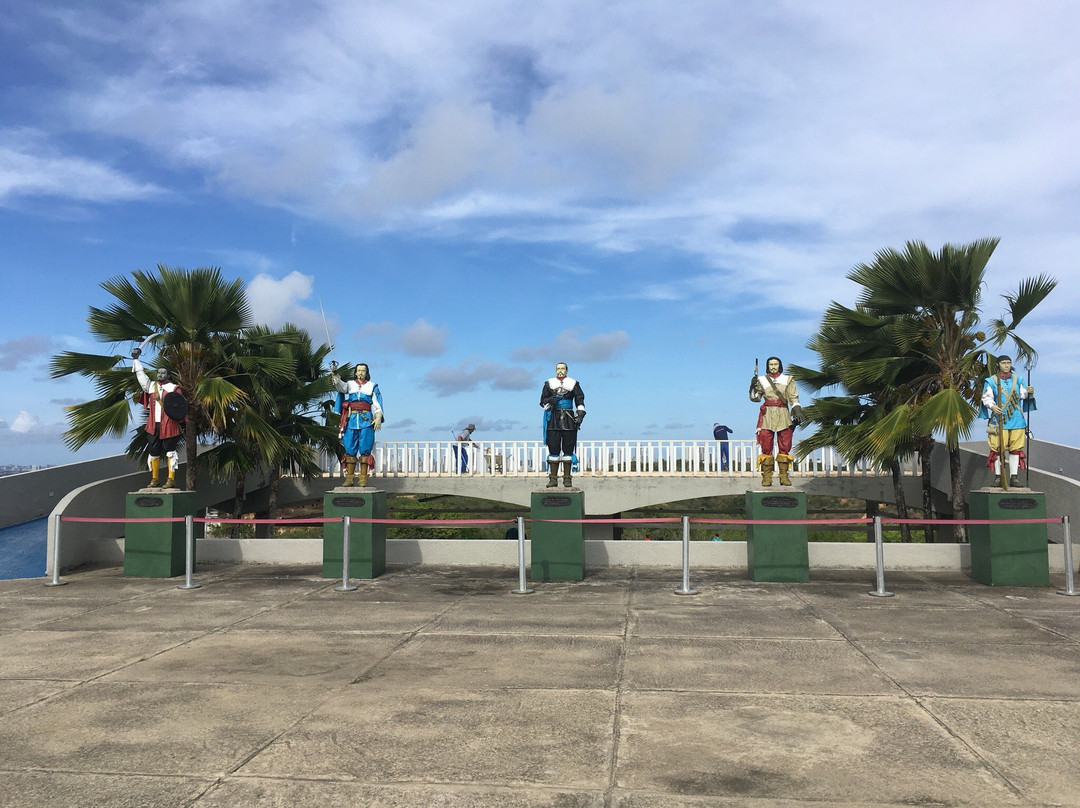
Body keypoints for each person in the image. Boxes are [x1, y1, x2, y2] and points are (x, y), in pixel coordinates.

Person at [131, 347, 186, 489]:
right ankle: (154, 479)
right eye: (159, 372)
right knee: (153, 452)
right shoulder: (152, 386)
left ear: (168, 375)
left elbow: (180, 407)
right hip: (153, 425)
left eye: (163, 373)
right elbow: (141, 377)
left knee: (170, 452)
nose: (160, 375)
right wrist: (136, 360)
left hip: (169, 425)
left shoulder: (174, 388)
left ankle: (171, 479)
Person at [979, 355, 1035, 488]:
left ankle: (1013, 477)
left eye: (1008, 363)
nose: (1006, 365)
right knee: (998, 449)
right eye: (1004, 363)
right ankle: (998, 477)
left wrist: (1029, 392)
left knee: (1016, 449)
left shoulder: (1018, 379)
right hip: (999, 420)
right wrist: (992, 406)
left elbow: (1023, 395)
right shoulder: (991, 381)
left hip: (1016, 420)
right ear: (998, 364)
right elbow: (986, 397)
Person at [749, 356, 804, 486]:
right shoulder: (762, 380)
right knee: (766, 444)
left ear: (780, 366)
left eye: (776, 364)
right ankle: (767, 476)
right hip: (767, 414)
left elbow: (793, 397)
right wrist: (752, 386)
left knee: (785, 443)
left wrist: (797, 409)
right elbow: (756, 398)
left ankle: (783, 475)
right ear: (768, 366)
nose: (773, 367)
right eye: (771, 364)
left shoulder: (788, 379)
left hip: (783, 413)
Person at [331, 361, 384, 487]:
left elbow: (378, 405)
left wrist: (378, 418)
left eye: (363, 371)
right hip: (351, 420)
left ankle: (363, 478)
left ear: (367, 373)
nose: (361, 373)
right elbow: (339, 386)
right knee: (349, 447)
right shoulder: (350, 385)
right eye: (359, 370)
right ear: (355, 372)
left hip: (366, 420)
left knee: (365, 448)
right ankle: (349, 478)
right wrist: (334, 373)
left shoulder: (372, 386)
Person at [540, 362, 586, 488]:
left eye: (563, 368)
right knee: (553, 448)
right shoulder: (548, 384)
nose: (560, 371)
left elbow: (579, 399)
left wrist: (580, 414)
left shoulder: (574, 383)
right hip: (553, 419)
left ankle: (567, 478)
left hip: (569, 419)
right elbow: (542, 401)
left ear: (567, 370)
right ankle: (553, 479)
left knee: (568, 449)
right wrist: (549, 400)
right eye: (558, 368)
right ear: (555, 370)